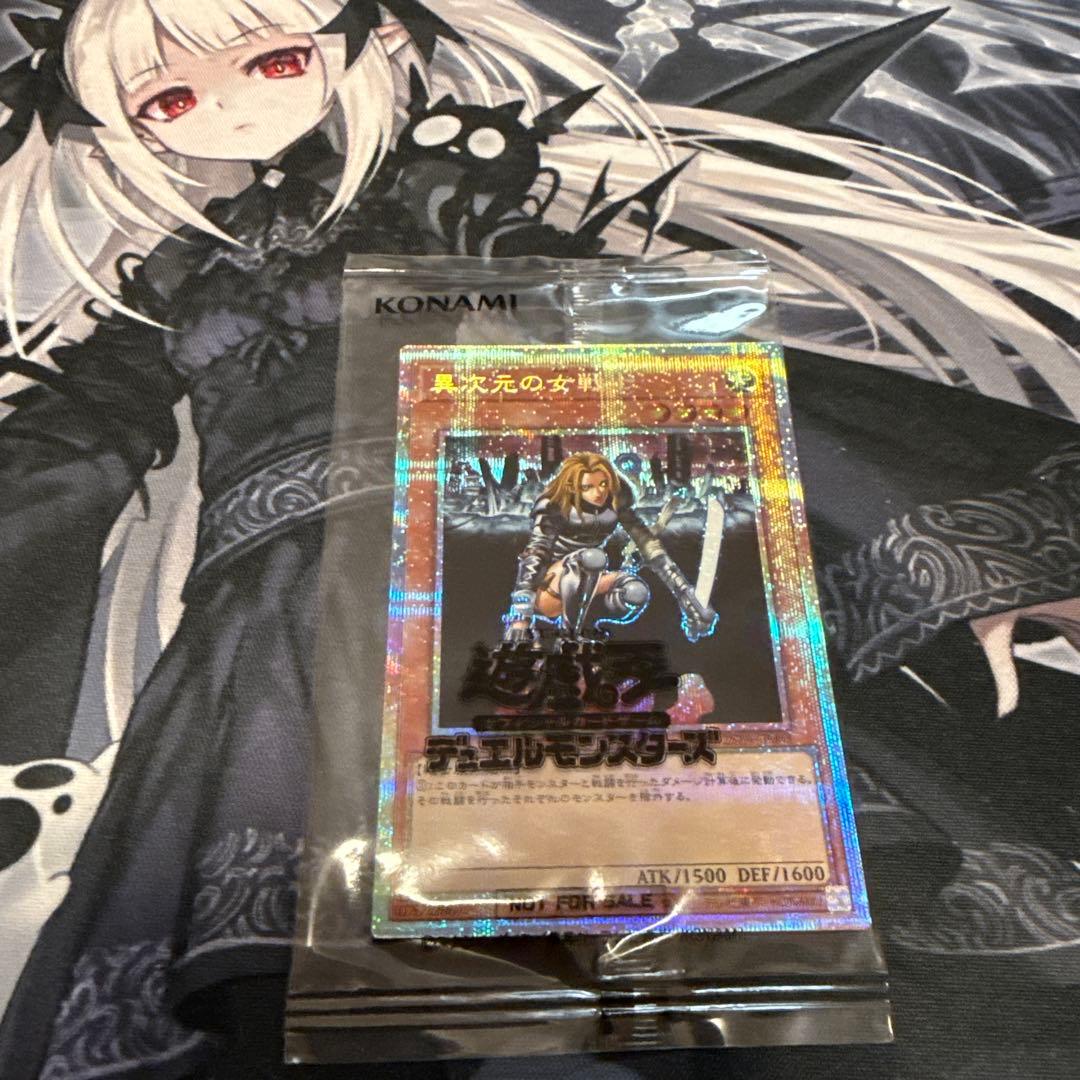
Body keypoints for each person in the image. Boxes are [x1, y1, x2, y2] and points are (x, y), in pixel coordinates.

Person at [0, 0, 1076, 1076]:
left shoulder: (444, 189)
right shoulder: (183, 271)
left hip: (489, 567)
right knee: (302, 975)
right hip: (269, 619)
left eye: (273, 60)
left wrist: (938, 548)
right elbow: (77, 435)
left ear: (375, 44)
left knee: (654, 937)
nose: (226, 104)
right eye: (167, 99)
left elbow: (626, 339)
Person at [505, 451, 716, 643]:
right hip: (549, 587)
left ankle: (588, 629)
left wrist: (684, 592)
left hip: (588, 582)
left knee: (635, 593)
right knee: (593, 557)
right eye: (587, 487)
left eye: (603, 484)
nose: (598, 493)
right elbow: (537, 551)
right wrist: (521, 612)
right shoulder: (554, 505)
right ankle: (570, 634)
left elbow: (648, 544)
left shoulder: (615, 500)